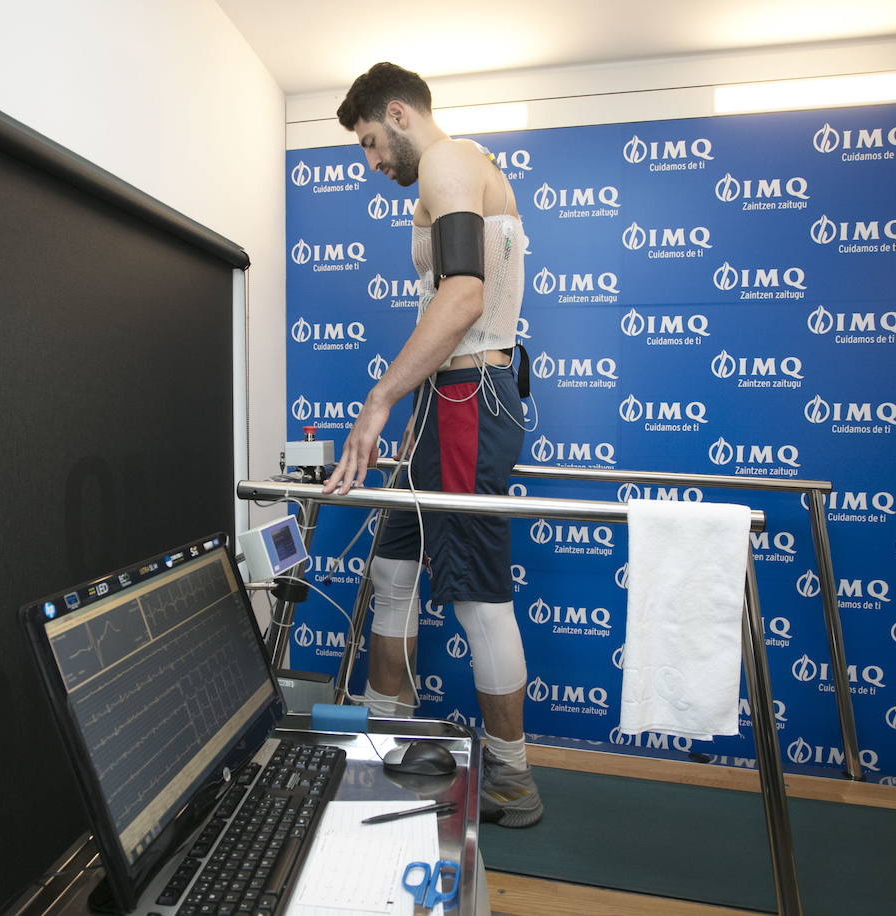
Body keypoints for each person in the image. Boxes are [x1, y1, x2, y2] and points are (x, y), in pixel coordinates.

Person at [323, 62, 542, 828]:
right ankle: (383, 743)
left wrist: (381, 398)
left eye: (370, 141)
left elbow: (464, 295)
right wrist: (413, 407)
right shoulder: (455, 173)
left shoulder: (449, 159)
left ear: (398, 113)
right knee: (393, 569)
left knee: (478, 593)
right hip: (446, 403)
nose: (371, 161)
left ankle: (512, 778)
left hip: (466, 401)